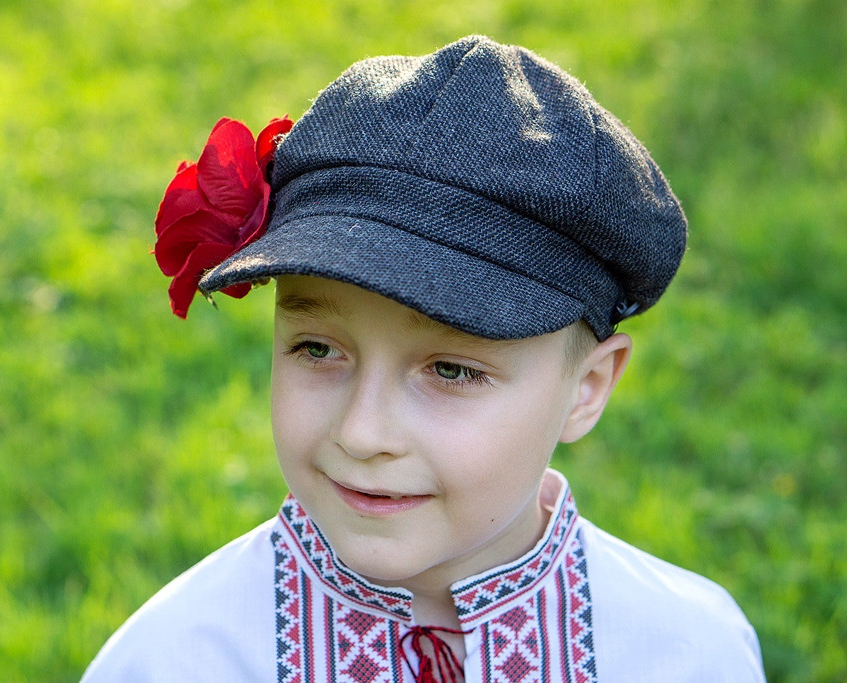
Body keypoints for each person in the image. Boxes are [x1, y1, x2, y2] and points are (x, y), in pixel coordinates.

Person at [82, 35, 765, 682]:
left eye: (451, 369)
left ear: (586, 388)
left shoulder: (687, 652)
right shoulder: (174, 659)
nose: (362, 431)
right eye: (317, 348)